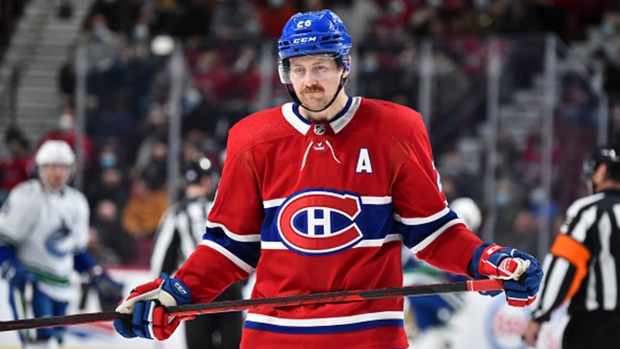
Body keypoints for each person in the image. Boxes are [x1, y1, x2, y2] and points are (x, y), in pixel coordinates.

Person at [113, 10, 543, 349]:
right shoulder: (251, 138)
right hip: (273, 335)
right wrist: (177, 292)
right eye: (297, 70)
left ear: (344, 67)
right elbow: (230, 245)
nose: (309, 82)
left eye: (320, 67)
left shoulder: (397, 129)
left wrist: (489, 259)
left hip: (369, 335)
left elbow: (432, 230)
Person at [0, 140, 123, 349]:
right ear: (40, 168)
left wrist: (97, 275)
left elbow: (75, 251)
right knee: (39, 344)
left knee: (56, 343)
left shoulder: (77, 202)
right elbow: (4, 240)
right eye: (52, 166)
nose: (58, 173)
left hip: (63, 286)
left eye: (63, 167)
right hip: (32, 285)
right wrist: (11, 268)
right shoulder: (26, 196)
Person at [523, 144, 620, 349]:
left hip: (597, 328)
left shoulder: (589, 211)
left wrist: (540, 314)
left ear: (601, 171)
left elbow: (564, 264)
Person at [150, 158, 243, 349]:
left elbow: (162, 260)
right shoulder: (226, 207)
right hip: (230, 288)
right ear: (208, 181)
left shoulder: (176, 214)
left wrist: (159, 294)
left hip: (195, 291)